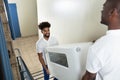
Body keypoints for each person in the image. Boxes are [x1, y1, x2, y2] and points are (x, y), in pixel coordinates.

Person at [82, 0, 120, 80]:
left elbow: (88, 77)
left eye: (104, 7)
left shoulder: (99, 47)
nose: (101, 11)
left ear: (112, 12)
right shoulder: (102, 45)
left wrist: (99, 45)